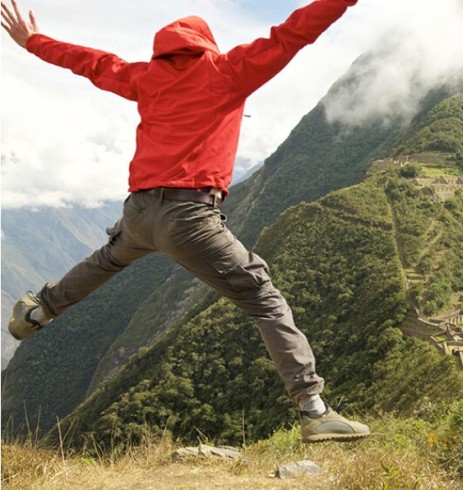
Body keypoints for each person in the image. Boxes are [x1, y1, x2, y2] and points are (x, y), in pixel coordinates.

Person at [2, 0, 369, 443]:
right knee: (264, 300)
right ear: (205, 45)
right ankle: (314, 409)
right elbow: (294, 31)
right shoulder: (228, 71)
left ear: (166, 49)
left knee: (108, 259)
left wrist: (33, 42)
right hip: (189, 215)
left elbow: (92, 63)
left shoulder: (144, 77)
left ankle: (38, 310)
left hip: (139, 212)